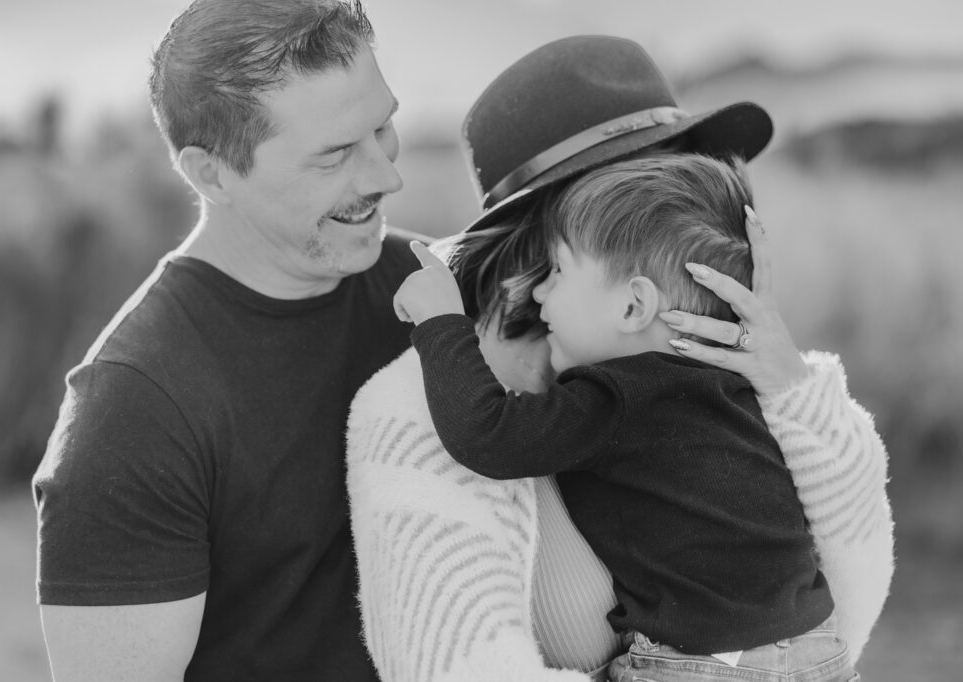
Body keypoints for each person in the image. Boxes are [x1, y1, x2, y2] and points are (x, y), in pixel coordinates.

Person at [346, 36, 893, 682]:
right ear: (564, 224)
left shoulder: (705, 362)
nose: (688, 212)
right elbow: (454, 666)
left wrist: (793, 387)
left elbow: (854, 587)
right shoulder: (415, 413)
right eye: (659, 186)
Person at [32, 1, 421, 679]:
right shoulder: (134, 413)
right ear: (210, 173)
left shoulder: (430, 289)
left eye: (383, 127)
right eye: (333, 156)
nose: (387, 176)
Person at [392, 151, 853, 682]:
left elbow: (487, 435)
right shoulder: (737, 388)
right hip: (819, 647)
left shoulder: (619, 394)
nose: (540, 292)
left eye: (558, 271)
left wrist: (442, 322)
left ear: (634, 307)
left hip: (706, 663)